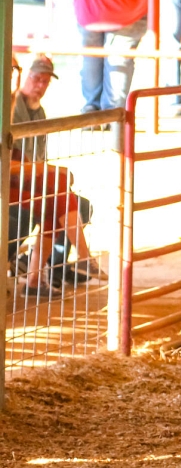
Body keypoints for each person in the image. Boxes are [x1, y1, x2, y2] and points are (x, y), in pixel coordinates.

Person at [9, 57, 102, 296]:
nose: (40, 85)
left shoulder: (39, 111)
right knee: (62, 196)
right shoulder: (11, 104)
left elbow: (39, 158)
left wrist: (46, 174)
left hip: (25, 180)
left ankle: (46, 272)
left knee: (74, 202)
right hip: (13, 179)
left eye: (45, 81)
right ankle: (67, 264)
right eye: (36, 78)